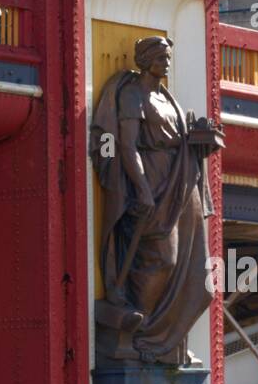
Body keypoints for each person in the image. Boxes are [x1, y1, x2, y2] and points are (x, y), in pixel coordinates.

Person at [91, 36, 222, 366]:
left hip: (180, 182)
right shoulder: (133, 93)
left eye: (168, 57)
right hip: (150, 180)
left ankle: (166, 338)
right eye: (161, 57)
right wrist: (142, 188)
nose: (166, 63)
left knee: (190, 267)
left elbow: (179, 142)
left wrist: (201, 142)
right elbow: (127, 146)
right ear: (146, 58)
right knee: (162, 258)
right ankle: (143, 331)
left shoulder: (168, 98)